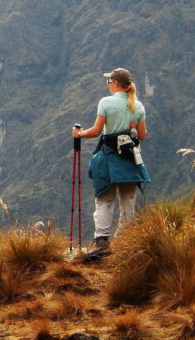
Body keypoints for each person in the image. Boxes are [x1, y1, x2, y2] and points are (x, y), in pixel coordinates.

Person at [72, 68, 151, 261]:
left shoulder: (106, 103)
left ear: (115, 83)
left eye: (109, 81)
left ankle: (102, 243)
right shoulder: (138, 106)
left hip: (108, 158)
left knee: (105, 200)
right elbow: (142, 135)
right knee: (128, 203)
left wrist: (79, 134)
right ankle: (125, 243)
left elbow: (97, 130)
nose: (108, 84)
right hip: (130, 159)